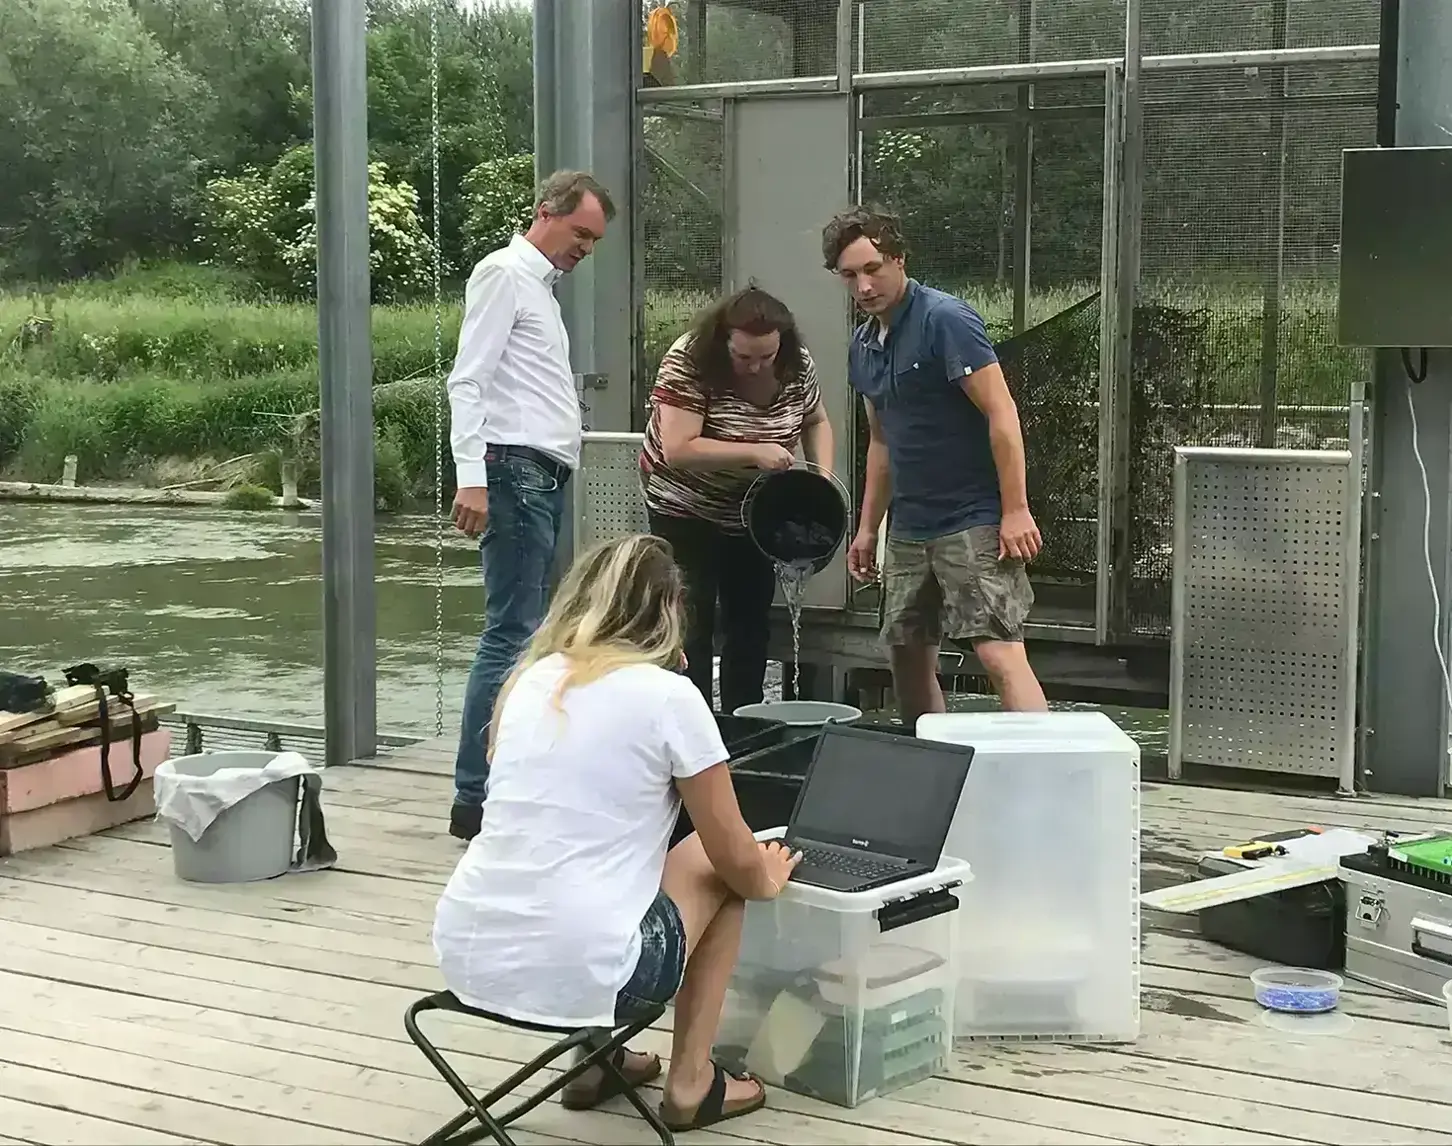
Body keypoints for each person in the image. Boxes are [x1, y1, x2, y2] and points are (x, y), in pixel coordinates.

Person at [432, 534, 803, 1132]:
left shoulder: (529, 680)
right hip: (592, 974)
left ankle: (594, 1063)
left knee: (595, 868)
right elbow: (733, 857)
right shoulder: (669, 697)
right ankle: (690, 1082)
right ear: (668, 610)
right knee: (711, 868)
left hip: (469, 957)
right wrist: (768, 875)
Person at [820, 205, 1049, 724]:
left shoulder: (944, 319)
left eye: (873, 268)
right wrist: (866, 529)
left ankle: (1043, 781)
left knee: (996, 647)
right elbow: (882, 440)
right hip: (909, 526)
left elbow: (1002, 410)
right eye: (850, 275)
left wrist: (1015, 509)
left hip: (972, 516)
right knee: (905, 648)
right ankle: (931, 767)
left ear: (898, 258)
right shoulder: (864, 344)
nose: (863, 286)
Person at [445, 169, 615, 842]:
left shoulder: (538, 288)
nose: (586, 249)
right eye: (580, 233)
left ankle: (496, 785)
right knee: (512, 630)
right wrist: (471, 477)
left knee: (527, 629)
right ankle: (476, 796)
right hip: (513, 467)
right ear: (545, 211)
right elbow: (468, 379)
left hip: (537, 469)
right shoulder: (503, 275)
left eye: (594, 240)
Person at [640, 286, 834, 712]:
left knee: (750, 623)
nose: (755, 366)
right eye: (743, 357)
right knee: (693, 623)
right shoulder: (688, 361)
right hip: (686, 506)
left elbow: (816, 419)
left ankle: (744, 724)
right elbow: (679, 448)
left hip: (756, 509)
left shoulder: (797, 364)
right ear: (722, 340)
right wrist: (754, 451)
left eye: (765, 357)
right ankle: (691, 727)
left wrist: (821, 475)